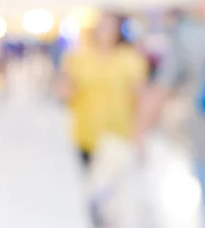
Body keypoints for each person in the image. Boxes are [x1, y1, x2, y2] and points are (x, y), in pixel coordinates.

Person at [137, 0, 205, 225]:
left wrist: (140, 132)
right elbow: (161, 88)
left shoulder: (190, 34)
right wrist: (140, 132)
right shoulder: (190, 34)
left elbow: (161, 89)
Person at [57, 12, 148, 167]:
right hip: (86, 134)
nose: (105, 31)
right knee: (92, 183)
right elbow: (66, 94)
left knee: (111, 185)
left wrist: (139, 134)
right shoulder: (79, 58)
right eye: (101, 26)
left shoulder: (130, 59)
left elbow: (140, 98)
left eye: (110, 27)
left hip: (118, 134)